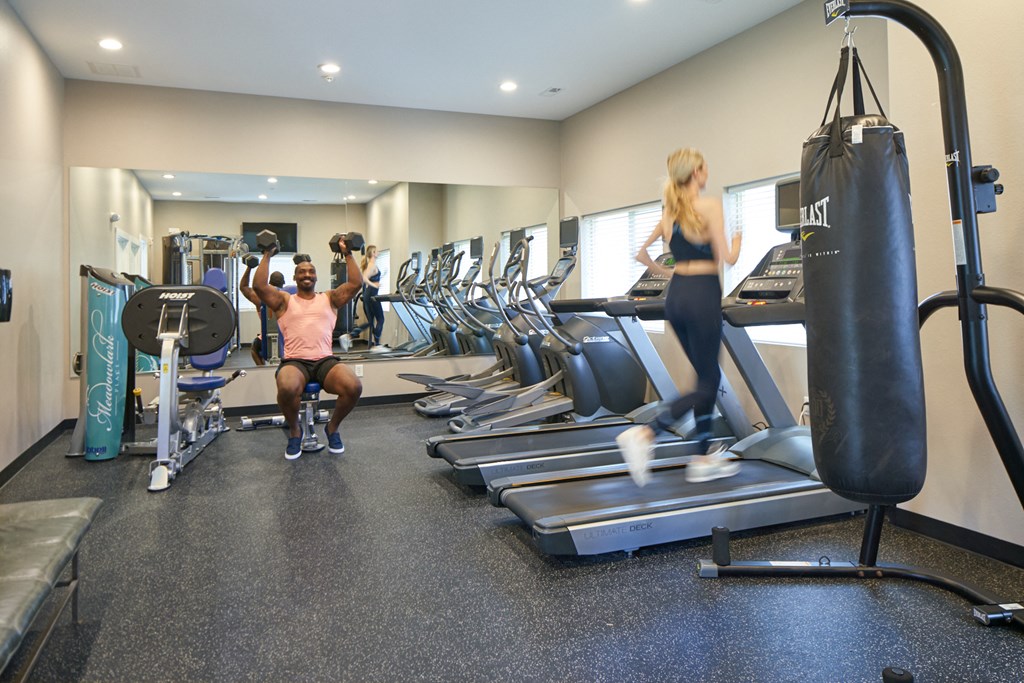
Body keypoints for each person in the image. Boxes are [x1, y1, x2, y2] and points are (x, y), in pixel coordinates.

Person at [616, 148, 742, 486]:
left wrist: (664, 272)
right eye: (705, 167)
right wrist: (739, 237)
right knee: (707, 381)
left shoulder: (670, 212)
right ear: (697, 172)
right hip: (702, 294)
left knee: (706, 378)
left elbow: (641, 253)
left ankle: (702, 456)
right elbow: (727, 258)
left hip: (677, 297)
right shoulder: (710, 205)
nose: (708, 172)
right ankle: (646, 433)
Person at [253, 237, 363, 460]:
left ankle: (332, 428)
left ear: (316, 276)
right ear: (294, 277)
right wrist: (267, 254)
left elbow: (355, 284)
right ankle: (295, 430)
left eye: (311, 272)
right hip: (295, 361)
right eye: (302, 272)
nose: (306, 275)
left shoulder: (329, 298)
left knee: (353, 386)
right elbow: (259, 286)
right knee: (286, 386)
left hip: (325, 360)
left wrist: (348, 253)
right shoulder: (284, 300)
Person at [238, 261, 285, 366]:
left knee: (255, 347)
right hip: (287, 339)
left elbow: (243, 287)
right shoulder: (289, 296)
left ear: (269, 282)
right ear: (283, 283)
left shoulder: (259, 297)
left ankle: (261, 368)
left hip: (267, 341)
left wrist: (249, 267)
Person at [360, 245, 385, 348]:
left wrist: (380, 278)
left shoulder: (371, 265)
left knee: (371, 322)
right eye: (377, 251)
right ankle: (377, 345)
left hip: (369, 295)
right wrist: (374, 284)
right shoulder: (371, 265)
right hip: (372, 295)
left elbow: (370, 278)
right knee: (381, 319)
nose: (378, 252)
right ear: (373, 253)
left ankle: (350, 336)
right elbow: (364, 278)